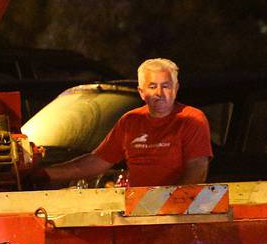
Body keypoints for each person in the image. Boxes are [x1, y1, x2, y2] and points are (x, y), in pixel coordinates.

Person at [46, 58, 212, 187]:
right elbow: (97, 161)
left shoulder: (192, 119)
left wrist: (172, 207)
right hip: (139, 210)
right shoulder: (130, 121)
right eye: (152, 86)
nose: (159, 93)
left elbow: (197, 171)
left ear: (176, 89)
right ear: (141, 92)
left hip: (178, 215)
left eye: (166, 86)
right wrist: (46, 174)